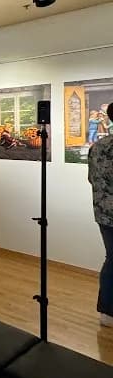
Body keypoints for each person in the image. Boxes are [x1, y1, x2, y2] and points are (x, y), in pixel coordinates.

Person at [87, 102, 113, 327]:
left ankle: (107, 312)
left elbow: (91, 178)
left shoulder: (97, 146)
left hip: (103, 213)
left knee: (112, 259)